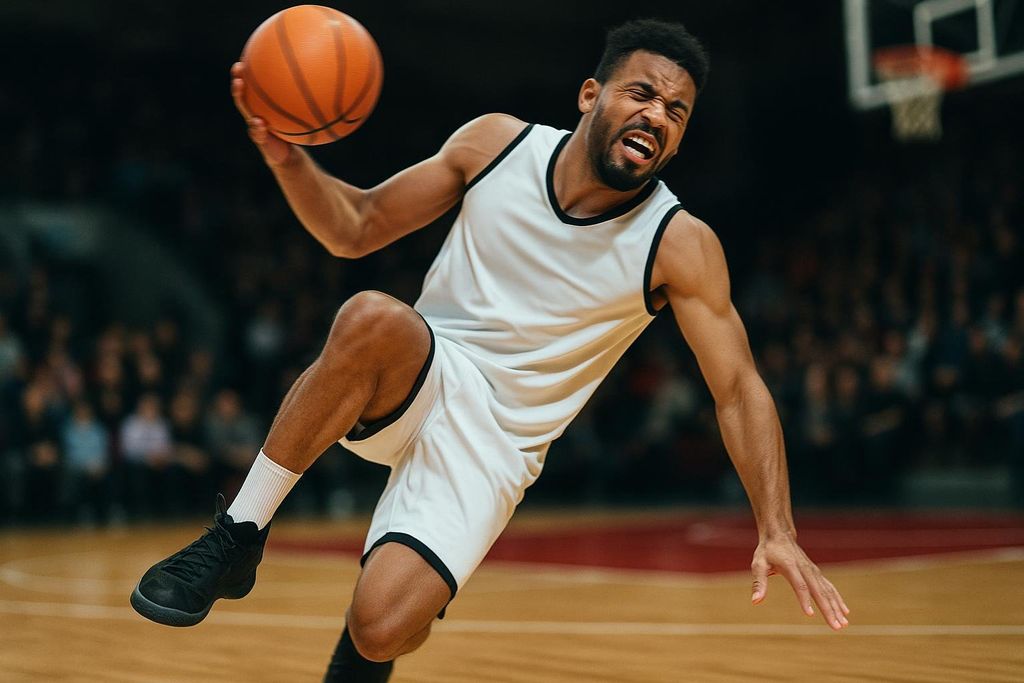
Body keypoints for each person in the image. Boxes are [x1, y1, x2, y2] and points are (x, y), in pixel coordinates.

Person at [131, 19, 850, 681]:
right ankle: (238, 534)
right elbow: (356, 227)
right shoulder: (495, 143)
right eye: (643, 93)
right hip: (424, 369)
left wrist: (776, 529)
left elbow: (739, 389)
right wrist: (286, 158)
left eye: (676, 111)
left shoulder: (680, 244)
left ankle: (383, 627)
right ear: (591, 94)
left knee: (380, 628)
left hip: (496, 445)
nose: (657, 115)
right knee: (373, 315)